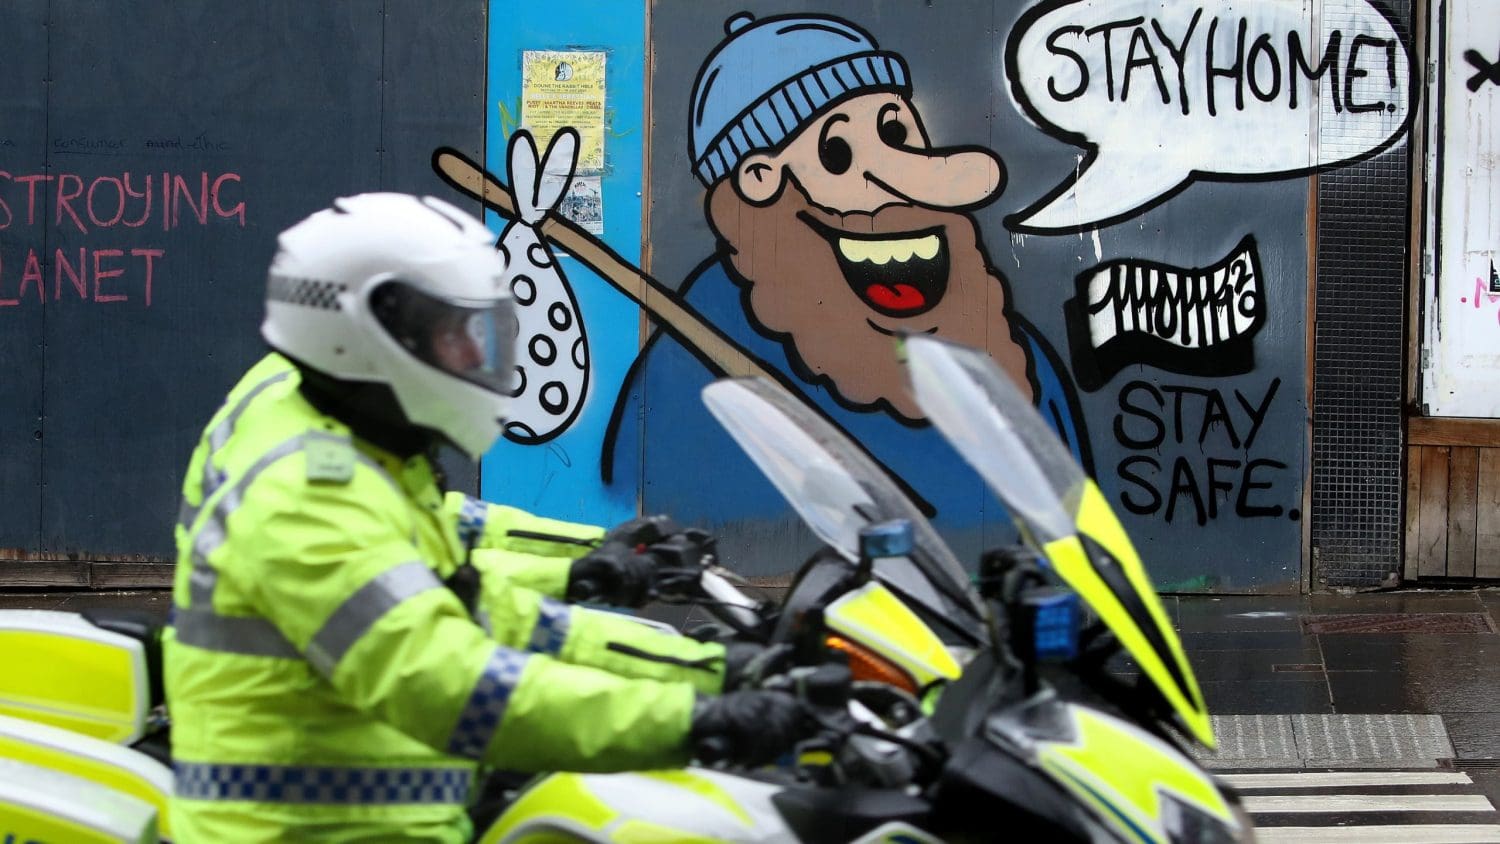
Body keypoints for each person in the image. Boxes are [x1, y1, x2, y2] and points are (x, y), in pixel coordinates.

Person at [164, 192, 804, 841]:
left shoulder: (371, 453)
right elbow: (453, 684)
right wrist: (700, 724)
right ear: (366, 334)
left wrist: (715, 669)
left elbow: (494, 608)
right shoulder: (308, 495)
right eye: (453, 336)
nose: (476, 360)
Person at [604, 12, 1090, 550]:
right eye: (837, 151)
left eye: (895, 131)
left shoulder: (1000, 342)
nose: (895, 183)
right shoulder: (703, 333)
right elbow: (644, 490)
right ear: (762, 179)